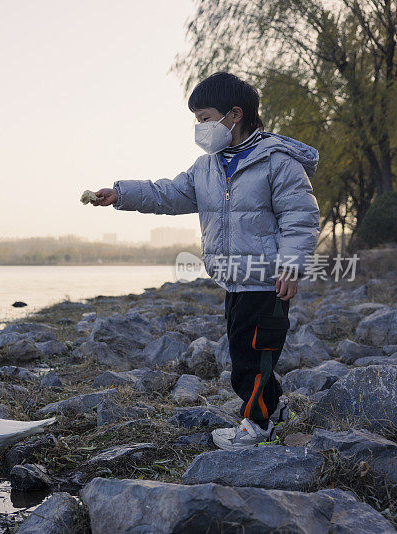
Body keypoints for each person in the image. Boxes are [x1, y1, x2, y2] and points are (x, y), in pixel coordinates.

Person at [89, 72, 320, 450]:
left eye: (205, 118)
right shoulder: (208, 167)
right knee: (242, 349)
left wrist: (292, 266)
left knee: (253, 357)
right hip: (232, 279)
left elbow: (301, 217)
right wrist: (120, 193)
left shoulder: (277, 162)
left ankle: (258, 425)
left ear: (235, 114)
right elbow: (167, 194)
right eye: (196, 119)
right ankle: (274, 409)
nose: (200, 127)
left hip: (267, 280)